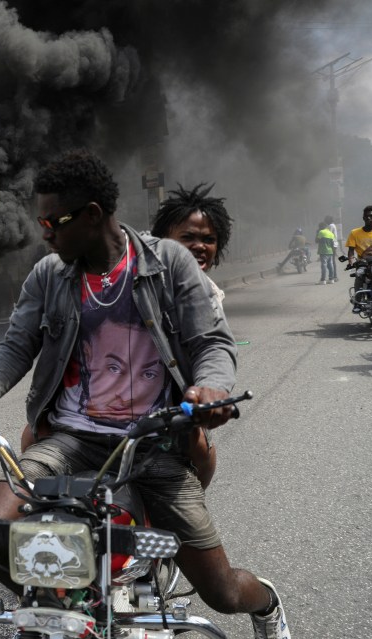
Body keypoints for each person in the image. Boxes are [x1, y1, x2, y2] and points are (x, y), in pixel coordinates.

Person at [0, 150, 290, 639]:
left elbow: (212, 343)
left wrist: (211, 388)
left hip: (155, 444)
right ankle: (67, 607)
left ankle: (266, 604)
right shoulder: (49, 275)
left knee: (222, 592)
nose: (45, 233)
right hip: (72, 438)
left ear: (93, 215)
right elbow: (16, 345)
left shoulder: (169, 263)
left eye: (53, 221)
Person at [150, 182, 234, 488]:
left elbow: (213, 347)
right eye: (187, 237)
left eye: (209, 239)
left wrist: (210, 389)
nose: (199, 246)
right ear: (163, 242)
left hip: (176, 401)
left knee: (200, 451)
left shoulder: (210, 293)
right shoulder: (140, 278)